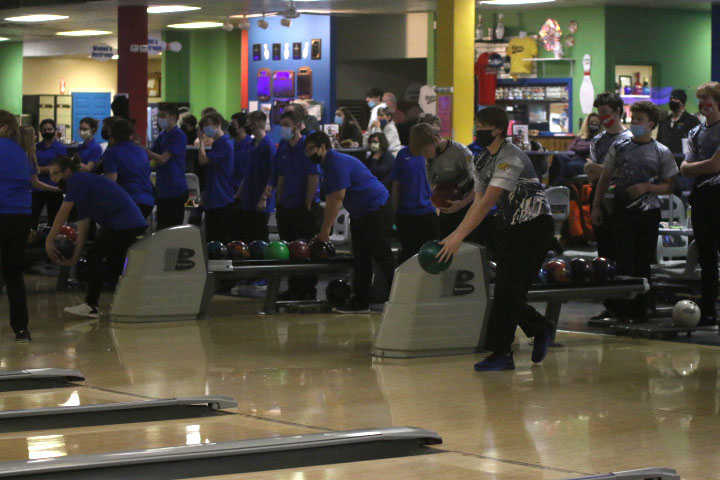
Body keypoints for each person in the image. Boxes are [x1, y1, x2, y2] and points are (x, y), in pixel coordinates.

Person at [436, 105, 554, 372]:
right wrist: (458, 221)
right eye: (477, 125)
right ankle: (540, 327)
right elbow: (477, 200)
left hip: (535, 227)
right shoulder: (482, 159)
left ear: (499, 129)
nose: (478, 131)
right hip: (511, 226)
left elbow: (490, 199)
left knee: (507, 290)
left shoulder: (510, 157)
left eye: (483, 126)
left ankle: (502, 353)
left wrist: (457, 236)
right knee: (505, 291)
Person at [591, 101, 678, 323]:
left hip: (648, 215)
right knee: (623, 261)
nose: (635, 123)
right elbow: (605, 177)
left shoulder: (662, 152)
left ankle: (642, 309)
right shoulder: (620, 147)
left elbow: (669, 186)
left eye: (640, 120)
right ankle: (622, 310)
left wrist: (648, 187)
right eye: (633, 119)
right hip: (622, 213)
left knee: (643, 262)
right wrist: (596, 205)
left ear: (651, 124)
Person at [45, 155, 148, 318]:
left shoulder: (76, 181)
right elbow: (83, 227)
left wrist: (49, 240)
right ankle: (127, 304)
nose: (53, 179)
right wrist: (75, 257)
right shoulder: (82, 186)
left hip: (125, 223)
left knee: (95, 256)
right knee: (112, 261)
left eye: (55, 174)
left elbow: (62, 213)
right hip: (125, 223)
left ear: (67, 171)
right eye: (50, 175)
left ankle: (92, 305)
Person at [307, 131, 395, 313]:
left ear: (323, 147)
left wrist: (325, 231)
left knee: (382, 255)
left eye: (311, 149)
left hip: (376, 208)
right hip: (361, 213)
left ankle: (400, 299)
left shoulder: (336, 162)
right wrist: (325, 230)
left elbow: (336, 198)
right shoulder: (328, 165)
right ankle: (361, 303)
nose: (308, 154)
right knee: (361, 258)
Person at [409, 122, 499, 257]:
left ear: (435, 140)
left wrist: (462, 203)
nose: (426, 156)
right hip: (448, 211)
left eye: (426, 151)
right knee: (446, 250)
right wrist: (438, 203)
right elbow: (434, 186)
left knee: (468, 251)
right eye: (422, 154)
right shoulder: (429, 160)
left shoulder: (461, 152)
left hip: (469, 207)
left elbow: (479, 184)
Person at [584, 93, 633, 320]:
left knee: (622, 252)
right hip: (599, 197)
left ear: (618, 111)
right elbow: (591, 172)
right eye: (600, 112)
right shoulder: (597, 140)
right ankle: (609, 304)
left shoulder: (630, 139)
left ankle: (624, 304)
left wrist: (602, 170)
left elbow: (623, 172)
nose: (603, 118)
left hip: (622, 199)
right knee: (604, 253)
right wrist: (605, 172)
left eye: (607, 112)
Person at [680, 81, 720, 326]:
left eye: (707, 98)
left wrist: (698, 167)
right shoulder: (696, 133)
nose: (703, 103)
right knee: (706, 257)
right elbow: (684, 168)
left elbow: (716, 165)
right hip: (702, 197)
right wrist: (702, 166)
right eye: (700, 98)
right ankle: (708, 310)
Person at [275, 110, 322, 301]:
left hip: (304, 207)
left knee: (305, 250)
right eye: (281, 124)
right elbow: (281, 176)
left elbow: (313, 177)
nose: (283, 128)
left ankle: (307, 290)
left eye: (287, 124)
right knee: (290, 249)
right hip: (287, 205)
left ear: (297, 125)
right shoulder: (284, 148)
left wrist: (308, 204)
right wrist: (279, 201)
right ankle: (293, 288)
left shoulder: (306, 147)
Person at [0, 111, 33, 342]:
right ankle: (21, 329)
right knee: (13, 274)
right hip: (21, 216)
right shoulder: (21, 152)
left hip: (2, 212)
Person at [145, 103, 189, 230]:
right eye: (159, 115)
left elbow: (163, 159)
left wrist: (144, 150)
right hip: (164, 189)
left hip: (175, 189)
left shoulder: (177, 135)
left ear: (173, 117)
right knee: (162, 227)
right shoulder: (163, 135)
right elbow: (151, 155)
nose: (160, 119)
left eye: (163, 115)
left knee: (172, 229)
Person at [391, 145, 437, 264]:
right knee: (408, 252)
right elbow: (396, 184)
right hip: (406, 212)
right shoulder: (403, 154)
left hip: (429, 211)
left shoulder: (433, 153)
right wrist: (395, 211)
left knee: (430, 253)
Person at [235, 110, 276, 244]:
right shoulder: (250, 145)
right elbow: (247, 173)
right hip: (248, 196)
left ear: (257, 123)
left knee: (259, 233)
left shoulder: (268, 146)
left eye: (250, 123)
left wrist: (263, 198)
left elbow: (271, 174)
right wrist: (239, 194)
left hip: (260, 196)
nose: (247, 126)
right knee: (247, 232)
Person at [102, 118, 155, 219]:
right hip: (148, 201)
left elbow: (111, 180)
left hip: (128, 202)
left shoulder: (112, 152)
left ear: (113, 135)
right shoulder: (141, 151)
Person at [198, 112, 235, 243]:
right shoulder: (217, 144)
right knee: (211, 237)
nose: (205, 128)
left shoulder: (224, 144)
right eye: (203, 126)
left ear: (218, 124)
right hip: (214, 197)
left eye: (208, 125)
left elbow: (203, 160)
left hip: (222, 198)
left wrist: (201, 141)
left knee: (219, 238)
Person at [548, 113, 602, 185]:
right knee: (557, 158)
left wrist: (581, 150)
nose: (594, 124)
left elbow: (592, 151)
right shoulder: (580, 137)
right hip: (574, 157)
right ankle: (552, 186)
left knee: (566, 166)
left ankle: (558, 186)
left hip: (586, 161)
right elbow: (570, 149)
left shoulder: (599, 139)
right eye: (591, 122)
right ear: (587, 124)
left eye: (596, 123)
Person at [32, 118, 67, 229]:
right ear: (40, 131)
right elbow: (32, 166)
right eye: (44, 130)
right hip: (37, 188)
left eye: (50, 129)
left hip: (55, 187)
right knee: (33, 217)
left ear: (54, 130)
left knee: (54, 218)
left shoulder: (60, 148)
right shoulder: (36, 147)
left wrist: (40, 169)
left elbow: (60, 166)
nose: (47, 132)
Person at [18, 126, 63, 193]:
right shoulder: (27, 157)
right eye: (34, 135)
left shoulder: (18, 154)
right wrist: (57, 189)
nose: (35, 137)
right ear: (28, 138)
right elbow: (35, 183)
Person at [658, 89, 700, 157]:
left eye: (674, 98)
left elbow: (697, 144)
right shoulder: (664, 120)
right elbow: (659, 141)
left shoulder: (692, 121)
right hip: (664, 161)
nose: (671, 101)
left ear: (682, 103)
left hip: (683, 161)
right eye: (670, 98)